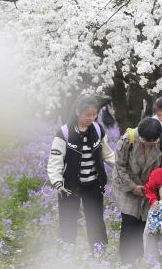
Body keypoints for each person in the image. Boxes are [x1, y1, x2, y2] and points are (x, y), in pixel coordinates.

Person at [47, 95, 116, 251]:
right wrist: (58, 183)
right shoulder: (64, 132)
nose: (91, 118)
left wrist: (122, 166)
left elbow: (107, 153)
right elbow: (55, 161)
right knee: (68, 220)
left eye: (94, 114)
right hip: (69, 185)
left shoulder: (98, 130)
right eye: (87, 115)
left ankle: (99, 251)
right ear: (78, 112)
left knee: (96, 220)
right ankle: (66, 253)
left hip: (93, 184)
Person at [114, 117, 162, 266]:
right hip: (129, 186)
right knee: (129, 222)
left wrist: (155, 188)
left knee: (144, 224)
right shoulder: (127, 140)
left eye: (152, 143)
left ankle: (141, 259)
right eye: (145, 142)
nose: (148, 145)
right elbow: (120, 166)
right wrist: (132, 187)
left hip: (150, 189)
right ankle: (126, 262)